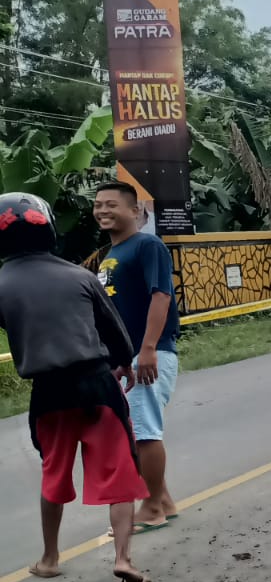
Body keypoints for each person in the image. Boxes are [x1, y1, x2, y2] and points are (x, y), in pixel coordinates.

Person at [0, 193, 153, 582]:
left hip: (48, 394)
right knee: (120, 473)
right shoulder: (79, 276)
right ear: (47, 226)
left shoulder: (2, 283)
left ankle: (50, 559)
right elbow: (117, 335)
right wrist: (122, 364)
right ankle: (123, 560)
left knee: (54, 474)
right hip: (97, 385)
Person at [93, 182, 180, 532]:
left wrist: (146, 349)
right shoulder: (111, 254)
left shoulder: (148, 245)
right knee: (136, 432)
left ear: (135, 211)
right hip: (127, 359)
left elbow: (161, 295)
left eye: (111, 204)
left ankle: (152, 507)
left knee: (145, 433)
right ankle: (165, 501)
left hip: (149, 353)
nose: (102, 210)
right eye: (98, 204)